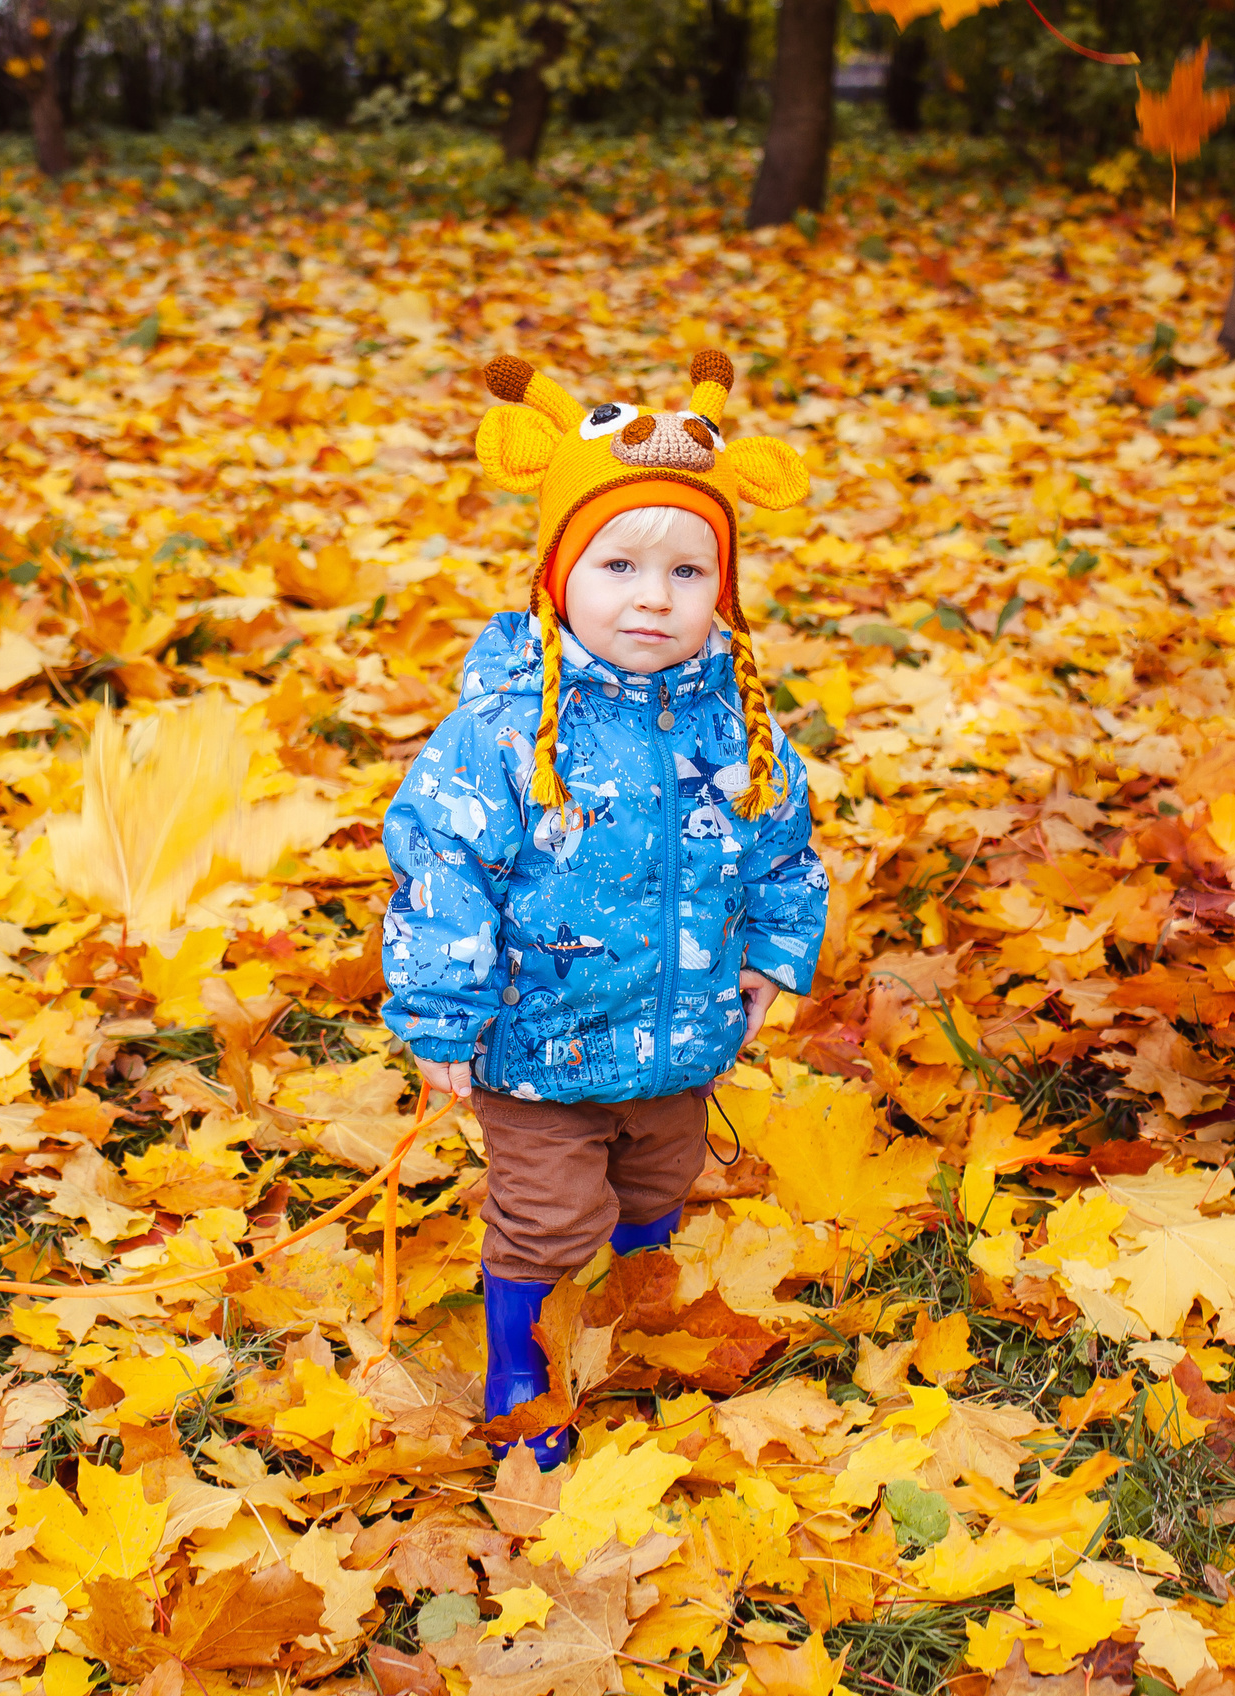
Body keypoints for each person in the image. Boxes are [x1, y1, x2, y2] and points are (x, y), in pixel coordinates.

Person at [381, 349, 831, 1468]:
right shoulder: (503, 729)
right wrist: (441, 1017)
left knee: (657, 1179)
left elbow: (783, 846)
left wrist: (773, 956)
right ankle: (522, 1363)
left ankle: (634, 1304)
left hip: (682, 1036)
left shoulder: (740, 718)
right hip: (538, 1043)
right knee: (546, 1214)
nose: (652, 597)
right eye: (619, 563)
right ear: (556, 574)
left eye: (687, 574)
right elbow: (439, 868)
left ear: (720, 588)